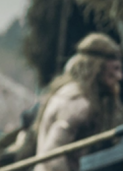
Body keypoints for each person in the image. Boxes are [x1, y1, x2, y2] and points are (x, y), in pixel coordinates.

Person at [33, 32, 123, 171]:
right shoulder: (78, 103)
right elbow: (52, 156)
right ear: (97, 67)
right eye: (115, 69)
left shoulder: (83, 95)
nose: (119, 76)